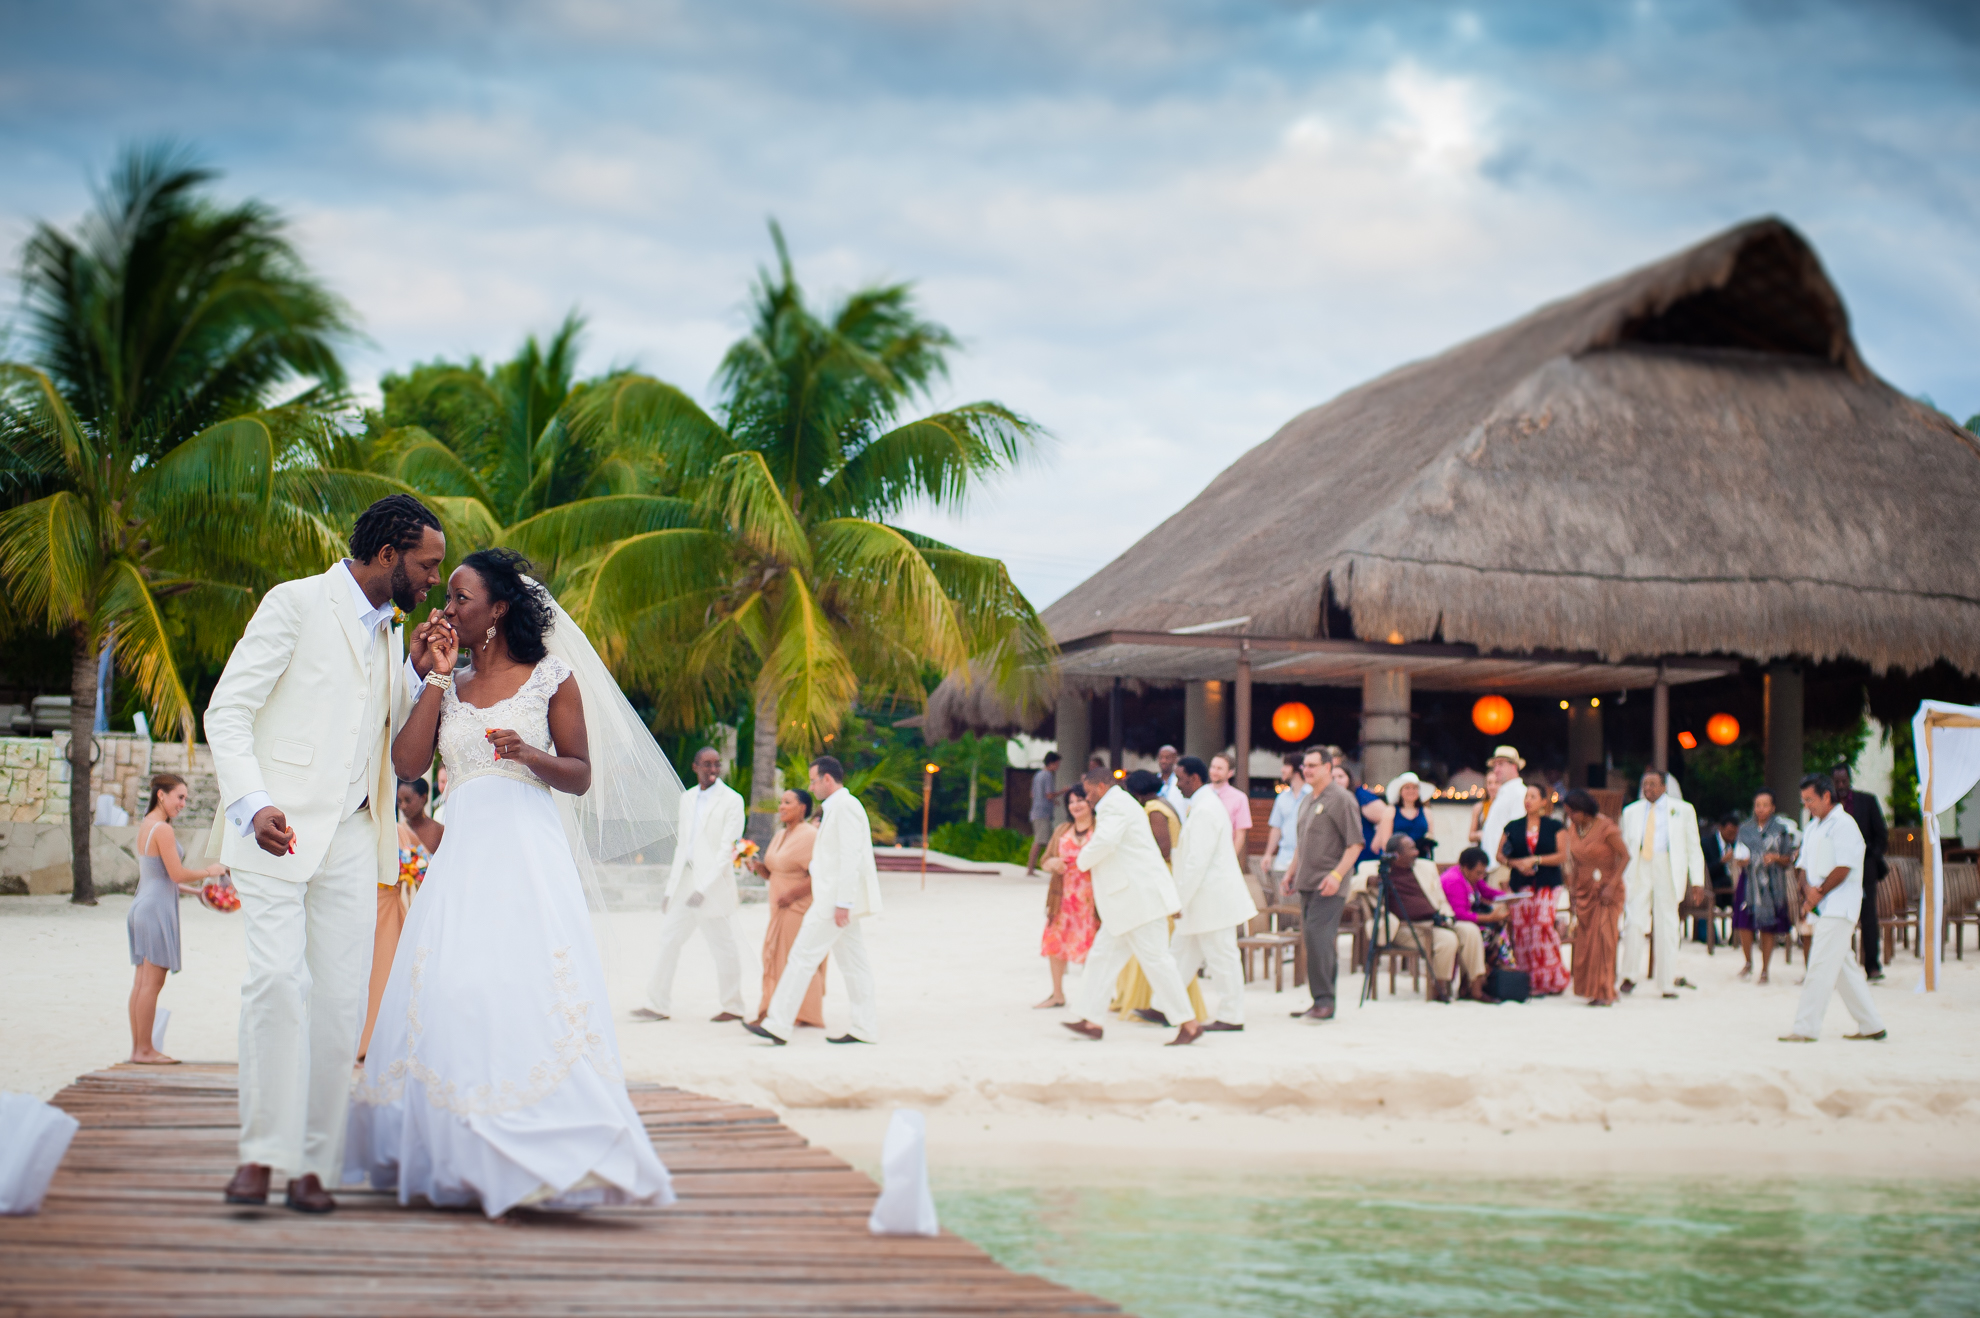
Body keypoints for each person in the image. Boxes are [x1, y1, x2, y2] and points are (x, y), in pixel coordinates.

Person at [346, 548, 674, 1216]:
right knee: (453, 985)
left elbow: (581, 772)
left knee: (530, 986)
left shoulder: (552, 677)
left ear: (498, 609)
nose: (447, 607)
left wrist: (530, 755)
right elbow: (406, 764)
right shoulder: (451, 683)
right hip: (462, 858)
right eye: (449, 597)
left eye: (461, 597)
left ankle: (549, 1147)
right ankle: (459, 1150)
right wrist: (434, 679)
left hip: (529, 854)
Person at [205, 494, 446, 1214]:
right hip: (275, 829)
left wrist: (417, 667)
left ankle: (313, 1166)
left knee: (340, 1007)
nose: (433, 579)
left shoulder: (387, 632)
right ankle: (261, 1156)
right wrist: (252, 804)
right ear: (387, 557)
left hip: (353, 834)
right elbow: (230, 710)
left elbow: (389, 733)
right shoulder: (294, 603)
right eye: (427, 566)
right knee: (277, 985)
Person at [1061, 763, 1204, 1046]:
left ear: (1102, 788)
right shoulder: (1120, 804)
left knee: (1158, 962)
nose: (1086, 799)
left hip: (1138, 902)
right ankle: (1091, 1019)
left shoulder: (1114, 806)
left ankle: (1188, 1024)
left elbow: (1105, 842)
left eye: (1089, 793)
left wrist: (1077, 861)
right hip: (1127, 904)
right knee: (1102, 958)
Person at [746, 755, 883, 1046]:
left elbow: (850, 857)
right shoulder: (838, 808)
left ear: (828, 780)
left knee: (802, 957)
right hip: (835, 898)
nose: (811, 786)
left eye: (813, 780)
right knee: (853, 964)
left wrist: (844, 903)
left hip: (834, 900)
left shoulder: (845, 807)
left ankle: (778, 1024)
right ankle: (865, 1028)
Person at [634, 747, 748, 1024]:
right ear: (695, 766)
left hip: (713, 887)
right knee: (669, 939)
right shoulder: (686, 798)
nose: (712, 769)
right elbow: (682, 845)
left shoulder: (733, 800)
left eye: (716, 765)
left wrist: (703, 889)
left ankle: (733, 1007)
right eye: (706, 764)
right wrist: (671, 890)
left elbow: (727, 850)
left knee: (723, 946)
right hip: (685, 884)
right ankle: (656, 1004)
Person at [126, 773, 230, 1065]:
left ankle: (140, 1049)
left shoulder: (147, 825)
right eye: (179, 797)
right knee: (151, 985)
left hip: (142, 905)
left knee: (141, 983)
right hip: (156, 909)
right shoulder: (163, 830)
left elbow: (157, 877)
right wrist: (211, 871)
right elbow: (175, 874)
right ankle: (145, 1050)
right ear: (161, 794)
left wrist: (195, 893)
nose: (183, 803)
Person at [1781, 775, 1888, 1043]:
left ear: (1826, 796)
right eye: (1803, 801)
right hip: (1821, 907)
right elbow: (1803, 866)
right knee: (1843, 967)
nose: (1807, 806)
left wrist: (1818, 893)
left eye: (1810, 800)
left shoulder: (1844, 824)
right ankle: (1871, 1024)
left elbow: (1844, 866)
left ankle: (1805, 1028)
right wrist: (1808, 895)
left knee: (1818, 965)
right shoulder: (1814, 827)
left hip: (1840, 906)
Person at [1170, 756, 1259, 1031]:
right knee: (1180, 954)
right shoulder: (1203, 804)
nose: (1177, 784)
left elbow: (1198, 861)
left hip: (1212, 899)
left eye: (1180, 778)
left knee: (1222, 958)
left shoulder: (1206, 809)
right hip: (1203, 900)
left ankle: (1232, 1016)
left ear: (1194, 779)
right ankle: (1164, 1006)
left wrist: (1179, 899)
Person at [358, 778, 444, 1061]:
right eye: (400, 801)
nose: (403, 807)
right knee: (373, 969)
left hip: (415, 906)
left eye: (408, 800)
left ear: (424, 797)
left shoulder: (440, 832)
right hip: (381, 905)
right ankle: (366, 1038)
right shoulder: (392, 831)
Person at [1114, 770, 1207, 1023]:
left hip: (1158, 879)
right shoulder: (1163, 804)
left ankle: (1153, 1003)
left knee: (1155, 946)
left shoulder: (1154, 809)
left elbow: (1162, 848)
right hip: (1162, 876)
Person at [1282, 746, 1364, 1022]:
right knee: (1314, 941)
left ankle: (1325, 1001)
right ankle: (1320, 999)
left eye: (1313, 765)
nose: (1307, 770)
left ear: (1328, 768)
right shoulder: (1307, 800)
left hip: (1329, 883)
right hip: (1306, 881)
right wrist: (1291, 872)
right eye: (1304, 765)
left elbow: (1355, 845)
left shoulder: (1341, 799)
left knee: (1319, 939)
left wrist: (1337, 875)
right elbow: (1301, 844)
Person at [1371, 834, 1497, 1003]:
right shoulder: (1379, 869)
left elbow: (1440, 899)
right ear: (1397, 855)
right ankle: (1439, 987)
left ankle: (1475, 987)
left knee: (1470, 930)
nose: (1417, 852)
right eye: (1412, 849)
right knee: (1447, 940)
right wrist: (1370, 881)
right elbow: (1354, 885)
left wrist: (1447, 917)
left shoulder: (1425, 868)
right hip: (1405, 928)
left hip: (1435, 921)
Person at [1619, 767, 1707, 999]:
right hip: (1639, 868)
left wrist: (1696, 881)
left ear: (1664, 786)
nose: (1648, 789)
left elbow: (1693, 847)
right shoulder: (1631, 812)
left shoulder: (1683, 810)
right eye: (1645, 785)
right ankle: (1629, 975)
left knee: (1667, 925)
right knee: (1634, 922)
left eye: (1653, 784)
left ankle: (1666, 981)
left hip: (1667, 867)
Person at [751, 789, 825, 1029]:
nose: (781, 807)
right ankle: (771, 1009)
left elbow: (820, 875)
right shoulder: (780, 834)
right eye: (781, 802)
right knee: (773, 956)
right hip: (777, 904)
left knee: (795, 957)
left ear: (802, 808)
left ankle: (807, 1014)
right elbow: (775, 872)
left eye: (787, 803)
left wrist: (792, 895)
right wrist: (759, 867)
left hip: (796, 905)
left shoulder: (810, 835)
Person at [1498, 782, 1569, 996]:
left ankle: (1551, 979)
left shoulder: (1555, 826)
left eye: (1533, 796)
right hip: (1520, 883)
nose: (1528, 800)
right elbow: (1500, 855)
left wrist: (1536, 859)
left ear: (1543, 801)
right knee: (1521, 929)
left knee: (1541, 925)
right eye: (1526, 796)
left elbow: (1562, 855)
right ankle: (1525, 979)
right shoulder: (1513, 826)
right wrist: (1517, 864)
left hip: (1547, 882)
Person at [1563, 790, 1630, 1006]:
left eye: (1572, 813)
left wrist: (1611, 885)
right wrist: (1571, 888)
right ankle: (1592, 989)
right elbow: (1574, 862)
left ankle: (1605, 991)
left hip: (1606, 892)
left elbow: (1625, 856)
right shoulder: (1574, 828)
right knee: (1586, 943)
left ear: (1584, 811)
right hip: (1584, 890)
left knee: (1604, 940)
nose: (1569, 817)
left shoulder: (1606, 827)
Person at [1036, 784, 1098, 1009]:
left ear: (1090, 802)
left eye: (1080, 800)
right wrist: (1053, 863)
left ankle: (1093, 996)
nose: (1075, 806)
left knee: (1094, 948)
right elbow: (1045, 860)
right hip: (1063, 899)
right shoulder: (1062, 830)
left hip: (1092, 901)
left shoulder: (1100, 829)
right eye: (1071, 802)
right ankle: (1057, 993)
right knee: (1056, 944)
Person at [1733, 788, 1797, 983]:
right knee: (1744, 922)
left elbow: (1789, 858)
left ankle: (1765, 968)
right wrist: (1742, 861)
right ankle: (1747, 961)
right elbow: (1738, 854)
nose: (1761, 809)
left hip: (1772, 882)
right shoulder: (1745, 829)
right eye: (1757, 805)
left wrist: (1776, 857)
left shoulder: (1781, 830)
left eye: (1765, 805)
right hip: (1749, 880)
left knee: (1768, 926)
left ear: (1773, 807)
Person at [1833, 762, 1889, 984]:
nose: (1841, 786)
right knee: (1839, 918)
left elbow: (1881, 835)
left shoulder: (1867, 801)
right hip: (1836, 872)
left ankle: (1872, 966)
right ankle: (1840, 966)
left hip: (1865, 869)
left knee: (1868, 918)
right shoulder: (1829, 804)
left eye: (1844, 781)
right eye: (1837, 782)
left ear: (1850, 780)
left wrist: (1869, 856)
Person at [1440, 845, 1514, 972]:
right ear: (1465, 868)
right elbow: (1460, 914)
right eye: (1478, 873)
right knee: (1490, 934)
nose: (1481, 877)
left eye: (1483, 873)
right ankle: (1479, 975)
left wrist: (1508, 896)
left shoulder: (1471, 875)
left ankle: (1494, 970)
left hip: (1469, 920)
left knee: (1499, 927)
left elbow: (1486, 891)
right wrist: (1490, 917)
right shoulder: (1453, 881)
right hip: (1454, 923)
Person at [1477, 747, 1528, 885]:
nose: (1496, 769)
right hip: (1493, 866)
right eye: (1495, 765)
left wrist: (1508, 863)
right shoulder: (1504, 792)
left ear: (1514, 766)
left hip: (1503, 868)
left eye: (1501, 764)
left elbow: (1517, 831)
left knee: (1501, 906)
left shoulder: (1519, 793)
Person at [1261, 753, 1309, 889]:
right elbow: (1276, 827)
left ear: (1297, 768)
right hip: (1283, 857)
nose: (1282, 769)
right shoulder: (1282, 797)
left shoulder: (1312, 795)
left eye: (1286, 766)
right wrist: (1268, 854)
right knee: (1282, 901)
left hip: (1305, 859)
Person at [1698, 814, 1740, 942]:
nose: (1732, 836)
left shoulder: (1737, 844)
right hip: (1713, 885)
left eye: (1734, 833)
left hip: (1732, 886)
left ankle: (1737, 937)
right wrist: (1722, 861)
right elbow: (1705, 870)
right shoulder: (1707, 843)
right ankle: (1710, 937)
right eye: (1729, 832)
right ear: (1721, 829)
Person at [1207, 753, 1251, 864]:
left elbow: (1240, 833)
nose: (1214, 771)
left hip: (1224, 857)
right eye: (1213, 767)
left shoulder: (1239, 798)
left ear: (1230, 773)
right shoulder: (1202, 793)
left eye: (1219, 768)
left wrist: (1231, 861)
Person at [1024, 751, 1063, 875]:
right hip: (1043, 813)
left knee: (1042, 841)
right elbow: (1049, 794)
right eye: (1057, 764)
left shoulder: (1038, 775)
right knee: (1042, 841)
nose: (1058, 766)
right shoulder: (1047, 776)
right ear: (1052, 763)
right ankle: (1034, 868)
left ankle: (1034, 868)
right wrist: (1063, 791)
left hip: (1037, 811)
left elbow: (1033, 794)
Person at [1348, 765, 1394, 866]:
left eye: (1340, 776)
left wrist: (1377, 840)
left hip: (1364, 851)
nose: (1336, 780)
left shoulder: (1362, 796)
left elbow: (1385, 815)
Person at [1386, 772, 1435, 860]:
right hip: (1398, 858)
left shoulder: (1426, 811)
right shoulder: (1391, 811)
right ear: (1400, 791)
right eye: (1407, 788)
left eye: (1414, 788)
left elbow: (1430, 834)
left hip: (1421, 857)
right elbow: (1386, 840)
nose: (1411, 791)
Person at [1155, 744, 1189, 818]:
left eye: (1167, 758)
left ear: (1175, 759)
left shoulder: (1180, 782)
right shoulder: (1154, 781)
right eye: (1161, 758)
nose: (1163, 761)